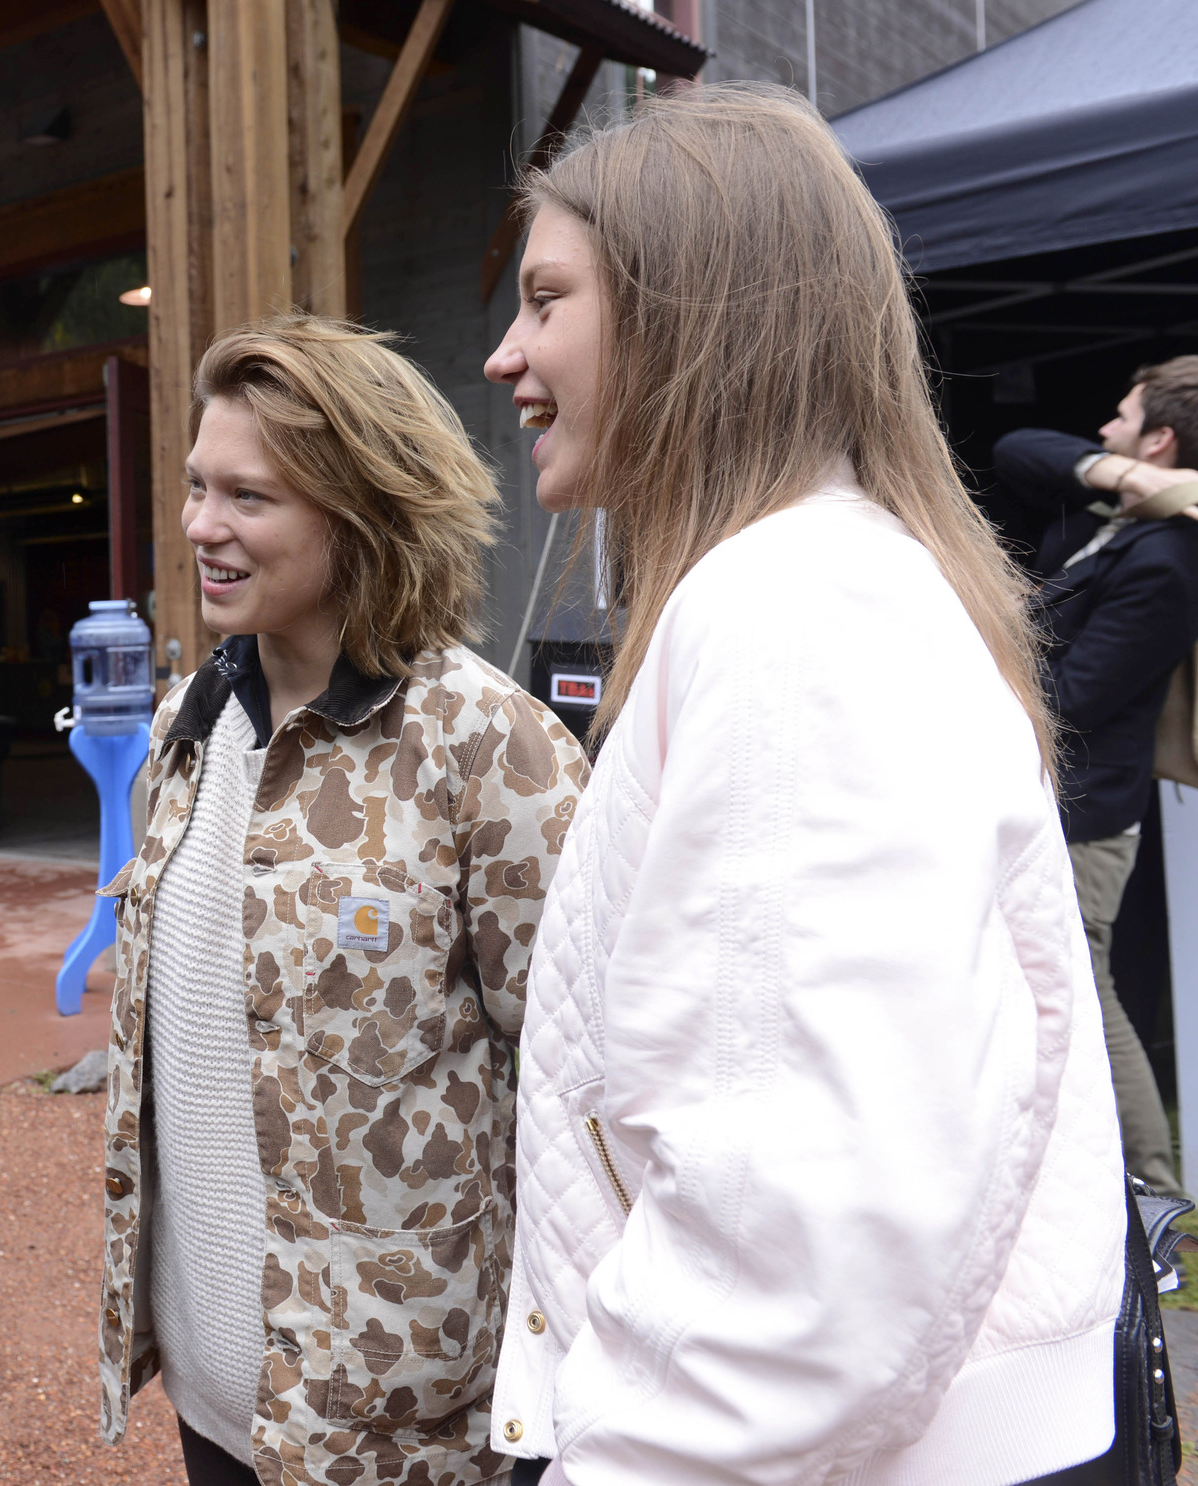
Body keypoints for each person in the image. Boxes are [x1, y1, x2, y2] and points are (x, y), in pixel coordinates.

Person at [483, 85, 1125, 1483]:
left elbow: (820, 1230)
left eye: (547, 299)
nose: (505, 354)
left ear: (684, 306)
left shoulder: (795, 612)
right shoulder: (807, 585)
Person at [97, 316, 588, 1486]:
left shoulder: (486, 747)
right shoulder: (188, 723)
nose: (200, 528)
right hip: (218, 1395)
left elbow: (587, 1094)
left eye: (248, 499)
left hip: (393, 1431)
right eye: (196, 487)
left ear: (360, 511)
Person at [991, 360, 1198, 1200]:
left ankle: (1155, 1192)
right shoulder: (1120, 510)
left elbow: (1076, 702)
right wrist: (1125, 477)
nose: (1102, 429)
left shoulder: (1168, 561)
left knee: (1084, 994)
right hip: (1059, 802)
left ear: (1160, 437)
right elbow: (1018, 448)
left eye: (1121, 419)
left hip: (1085, 816)